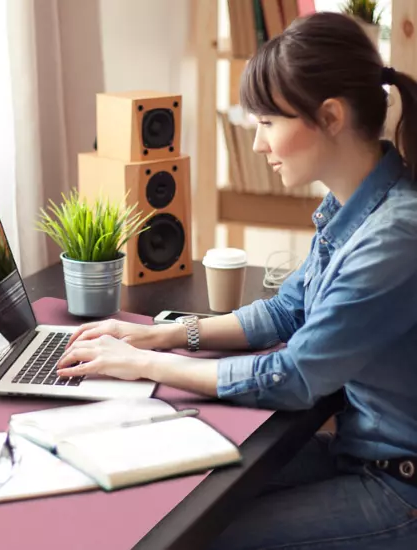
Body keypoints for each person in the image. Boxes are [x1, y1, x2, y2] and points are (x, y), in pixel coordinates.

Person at [56, 11, 417, 549]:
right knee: (164, 486)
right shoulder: (353, 206)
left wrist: (145, 366)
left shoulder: (394, 237)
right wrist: (159, 334)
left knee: (189, 536)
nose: (257, 144)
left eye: (269, 123)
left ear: (332, 117)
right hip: (359, 454)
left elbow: (294, 377)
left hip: (396, 487)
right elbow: (285, 311)